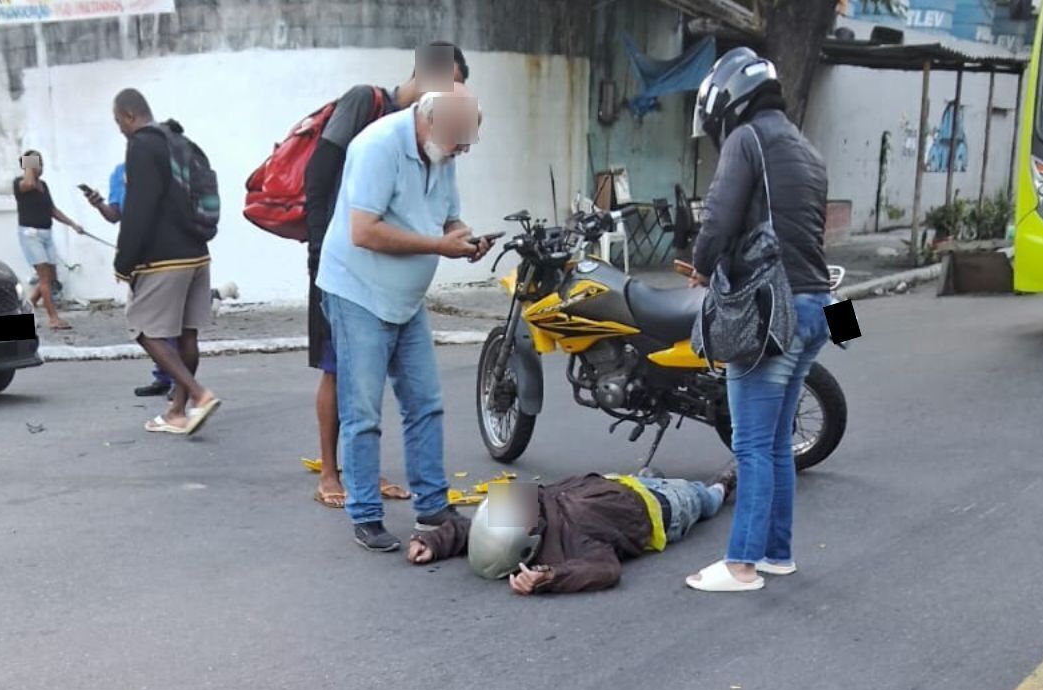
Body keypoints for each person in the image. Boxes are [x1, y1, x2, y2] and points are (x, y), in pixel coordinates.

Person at [316, 82, 489, 551]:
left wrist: (464, 238)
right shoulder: (376, 146)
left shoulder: (441, 153)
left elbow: (449, 219)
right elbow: (364, 231)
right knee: (363, 411)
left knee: (425, 403)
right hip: (358, 292)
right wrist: (438, 245)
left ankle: (432, 502)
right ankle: (366, 513)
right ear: (430, 120)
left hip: (406, 299)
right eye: (457, 143)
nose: (460, 153)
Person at [685, 48, 834, 592]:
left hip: (772, 314)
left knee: (750, 444)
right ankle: (777, 553)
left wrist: (701, 269)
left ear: (727, 100)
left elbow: (721, 218)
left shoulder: (748, 140)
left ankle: (742, 564)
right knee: (775, 443)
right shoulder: (807, 150)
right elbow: (811, 240)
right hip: (819, 310)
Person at [407, 462, 739, 595]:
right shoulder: (571, 543)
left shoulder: (525, 504)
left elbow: (476, 528)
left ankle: (648, 473)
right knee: (706, 500)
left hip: (616, 483)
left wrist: (434, 539)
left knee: (640, 476)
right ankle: (724, 484)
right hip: (666, 507)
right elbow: (605, 569)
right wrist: (549, 578)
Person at [112, 88, 221, 436]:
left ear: (129, 115)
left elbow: (138, 208)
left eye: (118, 122)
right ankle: (177, 411)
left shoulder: (142, 145)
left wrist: (123, 261)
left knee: (143, 328)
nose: (120, 130)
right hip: (198, 254)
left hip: (163, 260)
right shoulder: (178, 140)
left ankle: (200, 395)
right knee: (187, 334)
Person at [85, 161, 182, 400]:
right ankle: (163, 375)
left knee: (167, 320)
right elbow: (114, 215)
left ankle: (179, 381)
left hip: (163, 253)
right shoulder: (118, 172)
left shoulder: (161, 167)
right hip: (135, 255)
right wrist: (99, 205)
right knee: (144, 321)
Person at [14, 150, 85, 331]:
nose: (41, 167)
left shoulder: (44, 185)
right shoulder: (20, 184)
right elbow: (28, 182)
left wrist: (72, 224)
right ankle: (53, 319)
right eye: (37, 164)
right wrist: (29, 163)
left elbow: (52, 209)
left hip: (46, 234)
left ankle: (28, 305)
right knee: (44, 278)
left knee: (51, 277)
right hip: (31, 234)